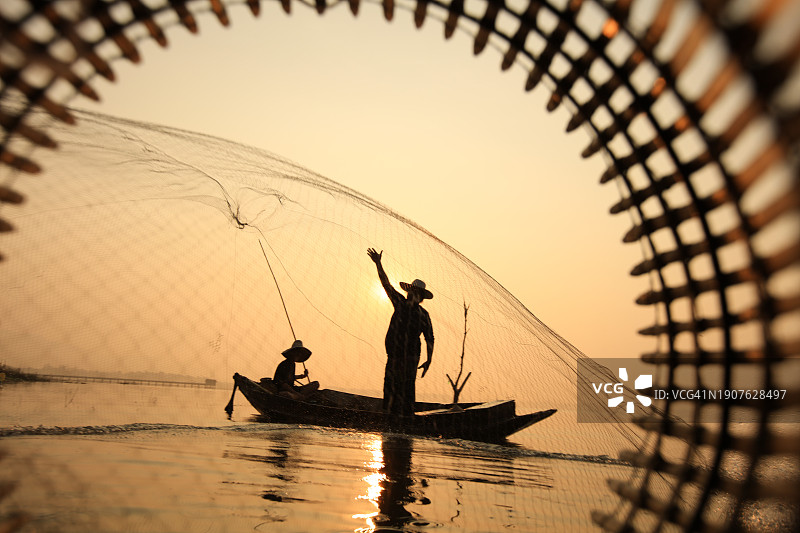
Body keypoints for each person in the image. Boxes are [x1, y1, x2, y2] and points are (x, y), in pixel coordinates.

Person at [367, 247, 434, 418]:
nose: (415, 295)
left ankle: (401, 416)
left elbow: (430, 338)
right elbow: (386, 284)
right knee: (395, 385)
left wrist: (429, 360)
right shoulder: (401, 303)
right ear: (410, 292)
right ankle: (396, 415)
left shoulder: (421, 314)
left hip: (409, 356)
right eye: (414, 292)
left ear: (420, 297)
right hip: (396, 355)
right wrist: (378, 263)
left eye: (417, 294)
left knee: (404, 385)